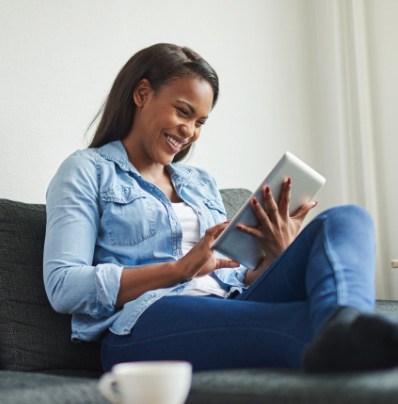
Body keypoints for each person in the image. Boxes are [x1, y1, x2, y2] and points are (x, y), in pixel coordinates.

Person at [43, 43, 398, 374]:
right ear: (141, 93)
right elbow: (63, 286)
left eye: (200, 122)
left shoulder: (199, 181)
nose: (191, 132)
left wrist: (276, 257)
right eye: (184, 112)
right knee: (302, 321)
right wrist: (179, 269)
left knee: (347, 219)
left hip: (232, 302)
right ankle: (349, 337)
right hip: (141, 324)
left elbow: (232, 278)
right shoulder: (87, 170)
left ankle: (346, 328)